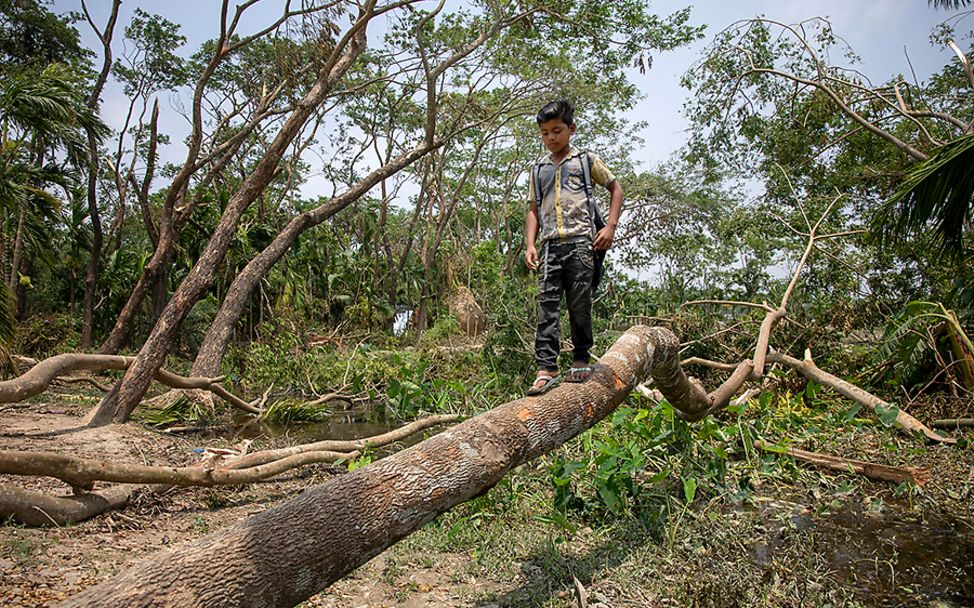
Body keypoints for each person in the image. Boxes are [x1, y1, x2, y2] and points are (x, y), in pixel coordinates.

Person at [524, 98, 623, 396]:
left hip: (581, 243)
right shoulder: (538, 169)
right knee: (547, 306)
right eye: (545, 133)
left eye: (557, 130)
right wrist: (529, 243)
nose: (551, 138)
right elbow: (532, 209)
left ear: (571, 129)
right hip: (550, 246)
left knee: (579, 305)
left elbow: (616, 188)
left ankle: (580, 358)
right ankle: (546, 367)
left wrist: (610, 227)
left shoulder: (585, 160)